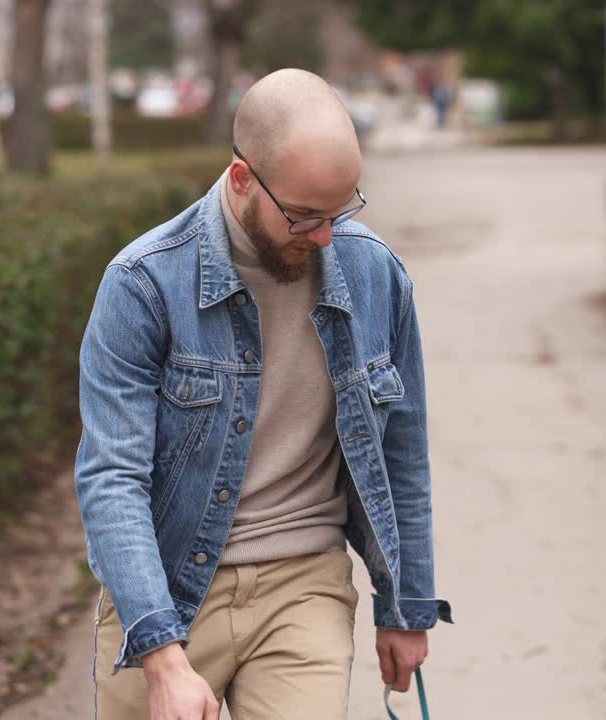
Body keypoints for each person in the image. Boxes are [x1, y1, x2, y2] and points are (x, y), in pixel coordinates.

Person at [74, 68, 452, 720]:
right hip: (166, 591)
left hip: (303, 585)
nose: (327, 237)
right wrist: (161, 656)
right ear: (242, 179)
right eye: (305, 216)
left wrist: (406, 610)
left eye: (341, 210)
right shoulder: (144, 284)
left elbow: (403, 455)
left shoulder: (374, 273)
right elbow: (112, 478)